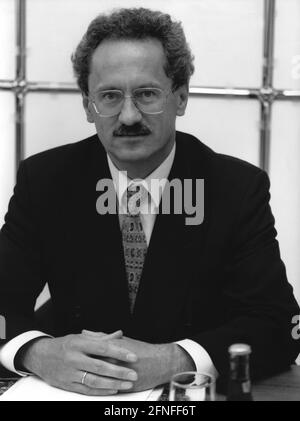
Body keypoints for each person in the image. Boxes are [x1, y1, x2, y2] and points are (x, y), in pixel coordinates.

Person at [0, 7, 299, 396]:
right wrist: (35, 352)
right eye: (109, 96)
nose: (127, 116)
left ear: (181, 97)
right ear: (88, 106)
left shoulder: (236, 188)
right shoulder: (45, 180)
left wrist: (177, 360)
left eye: (146, 94)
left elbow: (281, 325)